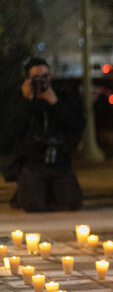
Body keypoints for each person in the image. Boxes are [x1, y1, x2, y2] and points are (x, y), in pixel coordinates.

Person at [5, 58, 84, 212]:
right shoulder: (19, 98)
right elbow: (12, 130)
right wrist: (27, 101)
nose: (42, 82)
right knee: (33, 205)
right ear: (27, 79)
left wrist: (55, 102)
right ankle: (25, 191)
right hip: (31, 161)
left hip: (58, 160)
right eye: (37, 78)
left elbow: (77, 124)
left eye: (46, 77)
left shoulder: (61, 95)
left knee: (73, 203)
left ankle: (49, 191)